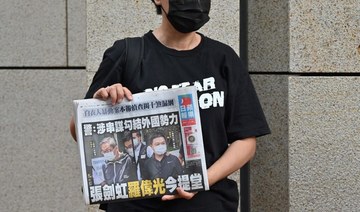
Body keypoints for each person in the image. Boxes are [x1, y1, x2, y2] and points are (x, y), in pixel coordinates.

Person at [69, 0, 270, 211]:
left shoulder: (223, 58)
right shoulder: (126, 53)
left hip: (207, 203)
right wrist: (101, 102)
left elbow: (245, 141)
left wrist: (201, 180)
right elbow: (79, 132)